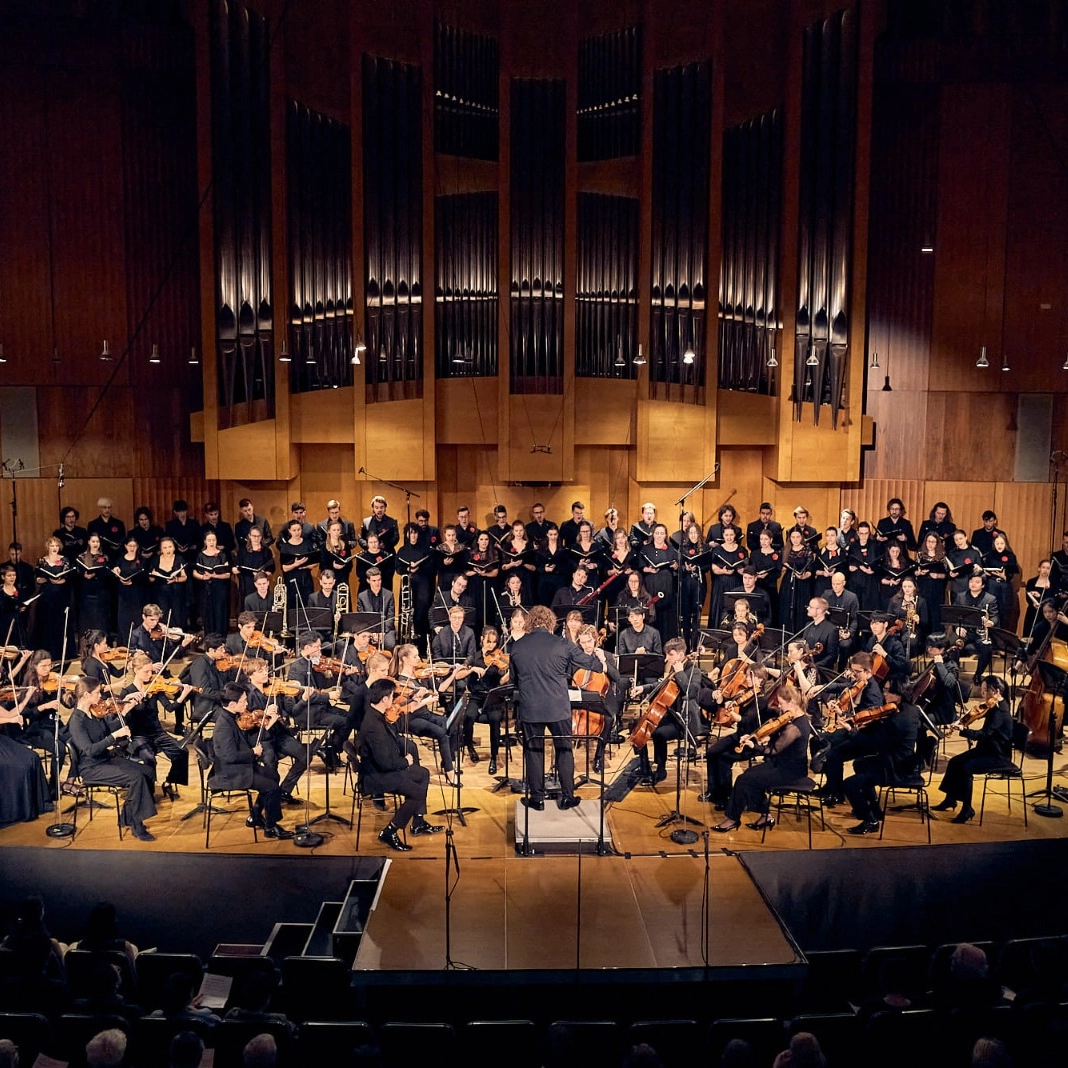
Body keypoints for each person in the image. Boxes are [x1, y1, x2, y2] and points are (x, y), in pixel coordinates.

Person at [508, 604, 584, 810]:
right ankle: (568, 797)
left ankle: (537, 799)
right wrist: (602, 664)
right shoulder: (562, 644)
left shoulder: (517, 646)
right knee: (564, 749)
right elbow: (578, 665)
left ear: (530, 622)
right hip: (558, 707)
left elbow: (514, 680)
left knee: (534, 751)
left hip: (531, 707)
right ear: (551, 622)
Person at [712, 682, 811, 832]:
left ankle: (732, 819)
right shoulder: (794, 719)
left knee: (745, 780)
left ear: (792, 703)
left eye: (782, 703)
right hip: (783, 764)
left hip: (790, 771)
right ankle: (765, 815)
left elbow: (773, 751)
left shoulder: (795, 727)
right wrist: (765, 738)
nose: (779, 707)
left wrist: (754, 745)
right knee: (749, 776)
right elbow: (782, 743)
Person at [67, 676, 157, 841]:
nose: (100, 696)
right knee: (136, 778)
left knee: (148, 771)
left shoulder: (93, 713)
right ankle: (137, 825)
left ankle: (127, 817)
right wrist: (114, 736)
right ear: (86, 695)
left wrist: (126, 709)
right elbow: (90, 750)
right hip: (91, 768)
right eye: (97, 693)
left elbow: (109, 728)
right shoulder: (76, 721)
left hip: (105, 759)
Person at [357, 676, 442, 850]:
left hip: (381, 768)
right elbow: (385, 763)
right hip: (377, 776)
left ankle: (418, 822)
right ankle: (390, 831)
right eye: (392, 696)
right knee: (417, 793)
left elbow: (393, 732)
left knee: (423, 773)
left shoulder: (376, 714)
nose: (394, 700)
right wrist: (405, 761)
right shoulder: (374, 725)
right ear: (384, 699)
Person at [209, 682, 293, 838]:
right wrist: (253, 752)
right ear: (233, 704)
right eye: (243, 701)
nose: (247, 704)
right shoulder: (223, 726)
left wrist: (266, 727)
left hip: (241, 766)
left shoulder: (232, 716)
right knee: (271, 787)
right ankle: (270, 827)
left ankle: (255, 816)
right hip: (231, 772)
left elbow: (244, 739)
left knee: (273, 775)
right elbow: (230, 756)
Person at [842, 677, 920, 834]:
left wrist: (851, 730)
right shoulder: (911, 710)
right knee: (859, 764)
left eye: (887, 691)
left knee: (849, 784)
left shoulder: (897, 720)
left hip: (894, 767)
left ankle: (870, 820)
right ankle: (874, 807)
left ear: (899, 694)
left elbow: (873, 743)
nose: (884, 694)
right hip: (904, 760)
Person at [931, 675, 1013, 824]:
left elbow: (982, 735)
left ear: (994, 691)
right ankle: (950, 799)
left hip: (997, 754)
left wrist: (963, 730)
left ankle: (967, 808)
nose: (982, 694)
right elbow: (979, 714)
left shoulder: (1000, 712)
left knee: (966, 768)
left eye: (984, 690)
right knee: (955, 761)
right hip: (986, 749)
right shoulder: (994, 705)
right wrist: (964, 719)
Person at [628, 637, 702, 784]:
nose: (667, 658)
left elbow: (691, 692)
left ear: (681, 655)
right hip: (670, 715)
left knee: (658, 733)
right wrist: (643, 688)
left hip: (684, 721)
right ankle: (644, 767)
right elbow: (662, 684)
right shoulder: (674, 668)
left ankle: (661, 770)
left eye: (670, 654)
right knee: (636, 725)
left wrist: (680, 673)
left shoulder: (694, 670)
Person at [122, 650, 192, 800]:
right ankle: (148, 792)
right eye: (146, 672)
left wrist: (183, 696)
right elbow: (124, 719)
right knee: (149, 759)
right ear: (136, 671)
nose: (150, 675)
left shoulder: (155, 687)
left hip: (157, 732)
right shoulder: (127, 692)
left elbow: (170, 708)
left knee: (182, 751)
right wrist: (131, 704)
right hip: (139, 735)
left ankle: (168, 782)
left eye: (151, 671)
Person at [389, 643, 459, 784]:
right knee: (441, 733)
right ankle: (450, 773)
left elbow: (436, 689)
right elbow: (408, 707)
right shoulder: (401, 682)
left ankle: (447, 762)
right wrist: (427, 700)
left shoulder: (417, 675)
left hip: (424, 714)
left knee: (452, 725)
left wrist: (453, 673)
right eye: (414, 656)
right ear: (404, 659)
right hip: (410, 718)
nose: (418, 659)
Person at [33, 536, 75, 658]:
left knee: (60, 624)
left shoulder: (64, 560)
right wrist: (41, 579)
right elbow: (37, 577)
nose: (54, 548)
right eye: (52, 545)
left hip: (60, 596)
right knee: (46, 624)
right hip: (46, 596)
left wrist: (60, 581)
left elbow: (68, 577)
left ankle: (61, 653)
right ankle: (47, 652)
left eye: (56, 545)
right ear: (48, 547)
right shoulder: (42, 560)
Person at [954, 572, 999, 683]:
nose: (973, 584)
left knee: (986, 648)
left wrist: (991, 623)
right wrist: (957, 628)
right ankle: (954, 675)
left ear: (983, 585)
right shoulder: (960, 596)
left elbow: (995, 616)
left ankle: (978, 674)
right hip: (965, 631)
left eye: (977, 582)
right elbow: (953, 615)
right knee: (952, 647)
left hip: (981, 633)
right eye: (971, 581)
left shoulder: (990, 599)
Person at [639, 523, 678, 640]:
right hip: (651, 582)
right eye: (657, 533)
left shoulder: (671, 549)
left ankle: (666, 641)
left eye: (662, 533)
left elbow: (677, 566)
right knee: (652, 611)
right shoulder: (646, 548)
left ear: (665, 535)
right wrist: (648, 569)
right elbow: (640, 565)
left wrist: (676, 565)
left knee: (666, 615)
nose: (659, 536)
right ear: (653, 534)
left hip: (666, 584)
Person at [149, 536, 189, 633]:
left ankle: (178, 640)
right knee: (163, 615)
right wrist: (153, 575)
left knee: (177, 616)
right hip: (160, 593)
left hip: (176, 592)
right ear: (161, 549)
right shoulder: (155, 560)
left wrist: (176, 579)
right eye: (165, 548)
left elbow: (185, 577)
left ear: (174, 548)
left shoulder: (179, 559)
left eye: (170, 547)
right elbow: (151, 579)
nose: (168, 550)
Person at [778, 528, 815, 631]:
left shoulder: (807, 550)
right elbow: (780, 567)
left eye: (798, 537)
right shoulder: (785, 550)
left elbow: (810, 568)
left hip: (802, 582)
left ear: (802, 537)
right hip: (788, 582)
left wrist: (804, 575)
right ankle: (786, 632)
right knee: (787, 606)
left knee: (801, 607)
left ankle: (800, 632)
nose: (795, 539)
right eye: (793, 537)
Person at [112, 534, 147, 638]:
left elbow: (144, 576)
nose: (132, 548)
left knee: (136, 617)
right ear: (125, 546)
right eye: (130, 546)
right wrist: (116, 573)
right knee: (124, 619)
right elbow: (116, 574)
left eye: (134, 546)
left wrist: (134, 581)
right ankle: (124, 642)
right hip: (124, 593)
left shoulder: (142, 560)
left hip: (137, 592)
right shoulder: (120, 560)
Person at [914, 530, 948, 633]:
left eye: (933, 542)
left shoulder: (942, 556)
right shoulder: (920, 555)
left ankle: (936, 636)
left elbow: (946, 575)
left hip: (937, 587)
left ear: (937, 543)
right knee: (924, 611)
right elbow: (914, 572)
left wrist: (937, 575)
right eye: (928, 541)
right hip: (923, 586)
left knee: (936, 612)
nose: (930, 544)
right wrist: (919, 573)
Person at [278, 519, 316, 610]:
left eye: (299, 530)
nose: (297, 532)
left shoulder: (307, 543)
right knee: (293, 608)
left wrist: (306, 565)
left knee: (307, 606)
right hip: (291, 581)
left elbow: (315, 562)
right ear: (289, 531)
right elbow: (284, 568)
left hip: (306, 580)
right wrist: (295, 564)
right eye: (294, 530)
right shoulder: (285, 547)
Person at [821, 572, 859, 663]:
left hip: (844, 631)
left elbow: (855, 619)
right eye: (833, 584)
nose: (835, 586)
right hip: (829, 630)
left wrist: (849, 633)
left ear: (844, 583)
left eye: (838, 584)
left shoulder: (852, 597)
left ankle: (841, 669)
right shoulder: (826, 595)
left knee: (845, 645)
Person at [357, 566, 397, 650]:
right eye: (374, 581)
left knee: (390, 643)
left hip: (386, 629)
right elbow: (362, 618)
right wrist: (372, 633)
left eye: (379, 580)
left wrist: (382, 632)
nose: (377, 583)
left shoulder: (389, 595)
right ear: (368, 581)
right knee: (361, 643)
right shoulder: (362, 596)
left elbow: (391, 617)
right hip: (368, 629)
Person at [234, 525, 275, 602]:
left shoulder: (266, 551)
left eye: (259, 536)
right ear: (249, 536)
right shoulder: (243, 550)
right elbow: (238, 566)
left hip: (261, 582)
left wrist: (263, 573)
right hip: (247, 582)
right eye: (254, 536)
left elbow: (271, 568)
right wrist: (236, 569)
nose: (256, 538)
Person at [846, 522, 881, 611]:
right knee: (857, 605)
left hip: (870, 581)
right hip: (857, 580)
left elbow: (880, 562)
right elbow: (849, 561)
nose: (864, 536)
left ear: (869, 533)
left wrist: (873, 570)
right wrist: (853, 567)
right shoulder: (853, 546)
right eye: (861, 533)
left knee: (870, 607)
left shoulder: (875, 545)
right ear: (857, 533)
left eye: (866, 533)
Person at [801, 597, 839, 669]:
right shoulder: (808, 625)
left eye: (811, 607)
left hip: (820, 669)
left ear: (819, 610)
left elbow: (832, 656)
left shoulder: (831, 629)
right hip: (805, 666)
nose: (808, 608)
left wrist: (814, 666)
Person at [87, 497, 127, 563]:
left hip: (116, 556)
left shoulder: (119, 523)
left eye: (109, 507)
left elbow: (123, 540)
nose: (107, 510)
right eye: (104, 507)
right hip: (99, 557)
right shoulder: (93, 524)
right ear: (100, 508)